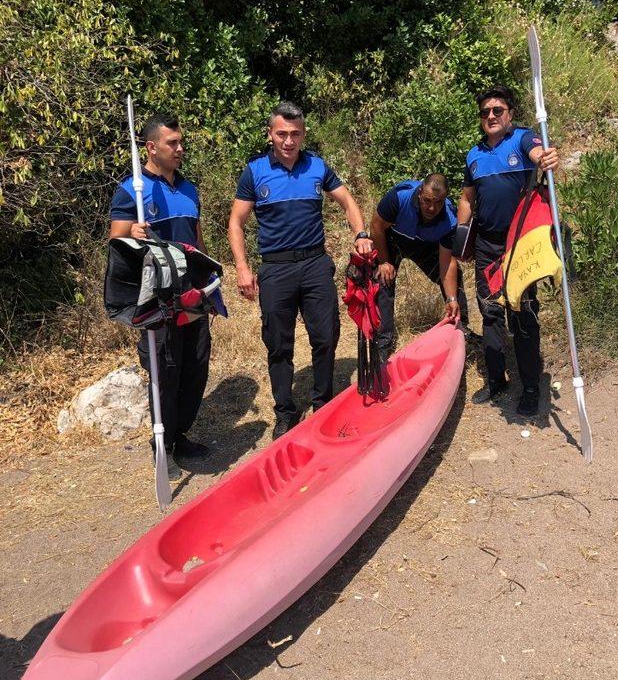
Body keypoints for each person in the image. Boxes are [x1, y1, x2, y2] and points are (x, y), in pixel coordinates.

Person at [228, 100, 373, 439]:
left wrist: (361, 235)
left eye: (295, 134)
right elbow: (236, 221)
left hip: (314, 265)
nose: (289, 141)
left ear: (304, 134)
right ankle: (285, 413)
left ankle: (324, 404)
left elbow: (348, 201)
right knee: (279, 345)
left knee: (326, 337)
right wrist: (242, 268)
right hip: (275, 269)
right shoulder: (255, 172)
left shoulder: (317, 167)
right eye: (282, 134)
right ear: (270, 134)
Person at [110, 113, 212, 480]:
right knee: (164, 370)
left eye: (181, 142)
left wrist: (208, 277)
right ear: (151, 147)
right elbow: (116, 240)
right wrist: (132, 232)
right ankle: (162, 444)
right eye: (173, 143)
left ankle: (181, 435)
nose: (180, 148)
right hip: (157, 296)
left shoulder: (189, 189)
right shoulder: (131, 191)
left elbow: (197, 240)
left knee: (195, 365)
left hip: (191, 293)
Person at [457, 85, 559, 416]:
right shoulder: (473, 155)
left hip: (520, 245)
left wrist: (545, 157)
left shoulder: (522, 139)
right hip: (487, 245)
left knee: (522, 312)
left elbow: (538, 153)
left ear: (509, 114)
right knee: (489, 312)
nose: (490, 116)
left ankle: (530, 387)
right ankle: (497, 380)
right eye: (485, 112)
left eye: (497, 110)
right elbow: (467, 198)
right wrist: (462, 236)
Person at [370, 173, 470, 360]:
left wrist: (451, 297)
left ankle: (461, 327)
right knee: (383, 279)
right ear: (419, 193)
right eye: (427, 201)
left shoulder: (449, 218)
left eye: (438, 202)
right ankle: (383, 341)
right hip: (394, 239)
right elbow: (376, 226)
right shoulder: (400, 197)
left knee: (456, 278)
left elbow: (447, 262)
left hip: (425, 244)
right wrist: (384, 261)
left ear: (445, 198)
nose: (432, 208)